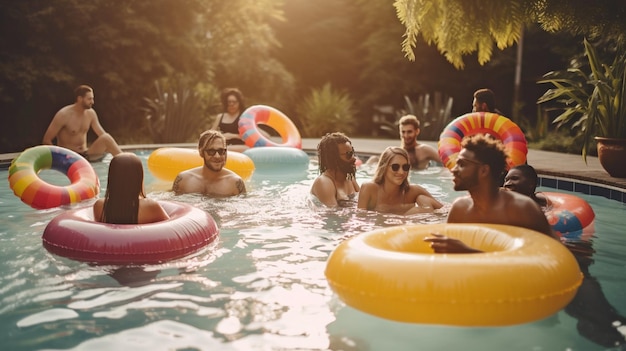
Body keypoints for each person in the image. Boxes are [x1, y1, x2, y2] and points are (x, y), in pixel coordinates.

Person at [425, 134, 557, 253]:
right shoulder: (460, 208)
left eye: (461, 164)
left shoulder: (521, 209)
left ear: (483, 171)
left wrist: (469, 252)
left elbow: (550, 253)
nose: (453, 170)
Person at [43, 85, 122, 161]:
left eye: (92, 99)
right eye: (89, 99)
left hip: (85, 155)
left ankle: (127, 163)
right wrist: (59, 158)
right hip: (70, 157)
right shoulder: (63, 115)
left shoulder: (91, 113)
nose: (92, 102)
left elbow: (102, 135)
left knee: (106, 138)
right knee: (106, 138)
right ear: (80, 99)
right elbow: (46, 140)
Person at [358, 147, 443, 215]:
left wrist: (425, 203)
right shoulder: (369, 189)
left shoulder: (413, 191)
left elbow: (445, 210)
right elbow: (359, 220)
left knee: (424, 201)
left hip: (405, 230)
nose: (401, 172)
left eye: (405, 167)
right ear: (384, 167)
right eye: (395, 167)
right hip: (379, 232)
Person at [93, 153, 169, 224]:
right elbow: (170, 227)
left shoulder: (99, 206)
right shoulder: (150, 206)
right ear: (138, 179)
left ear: (111, 179)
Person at [172, 130, 246, 197]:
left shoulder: (235, 183)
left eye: (221, 151)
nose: (217, 156)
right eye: (211, 151)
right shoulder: (183, 179)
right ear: (201, 153)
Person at [310, 132, 360, 207]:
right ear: (332, 159)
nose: (353, 158)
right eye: (348, 154)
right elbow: (333, 215)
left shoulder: (350, 178)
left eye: (352, 152)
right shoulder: (324, 182)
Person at [210, 88, 248, 152]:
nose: (231, 104)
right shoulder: (220, 117)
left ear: (239, 103)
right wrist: (219, 136)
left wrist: (232, 135)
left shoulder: (244, 117)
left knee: (225, 149)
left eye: (234, 102)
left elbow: (249, 137)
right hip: (222, 146)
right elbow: (209, 135)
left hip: (240, 147)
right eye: (229, 102)